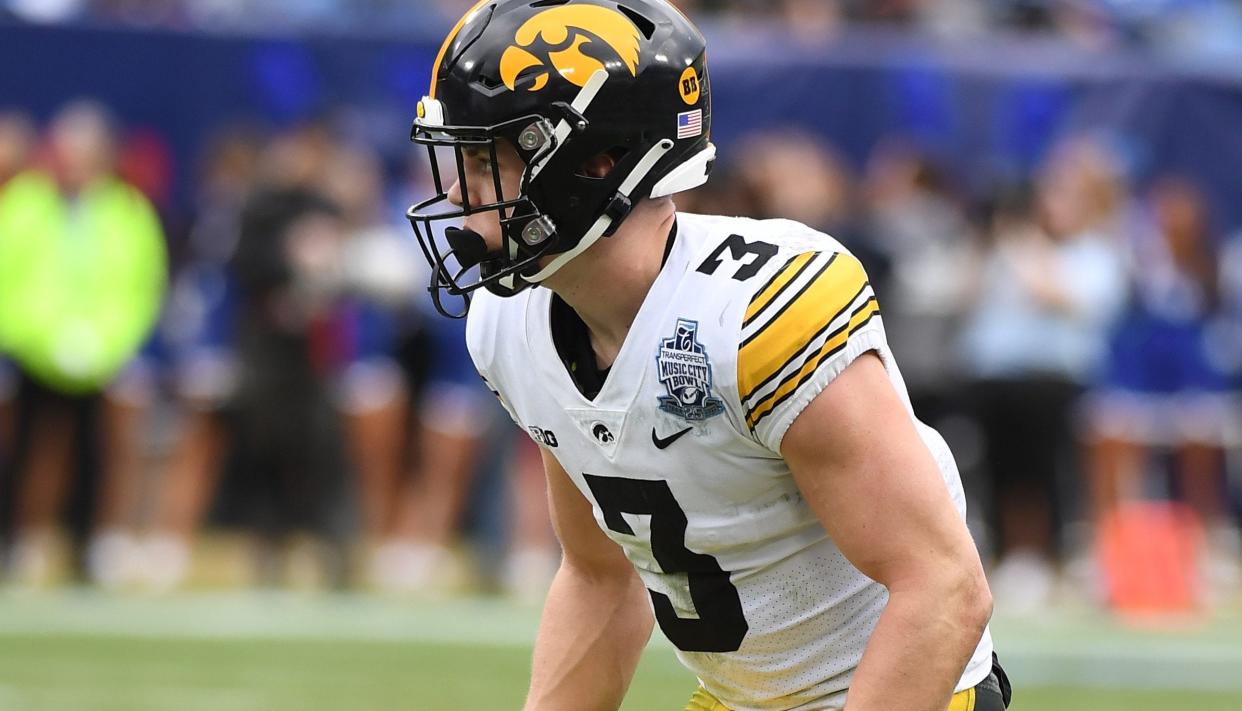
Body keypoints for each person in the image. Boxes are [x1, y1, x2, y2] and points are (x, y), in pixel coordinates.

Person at [407, 2, 1009, 710]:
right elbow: (600, 575)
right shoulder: (513, 322)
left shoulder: (760, 312)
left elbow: (942, 586)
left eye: (483, 160)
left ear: (595, 162)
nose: (455, 192)